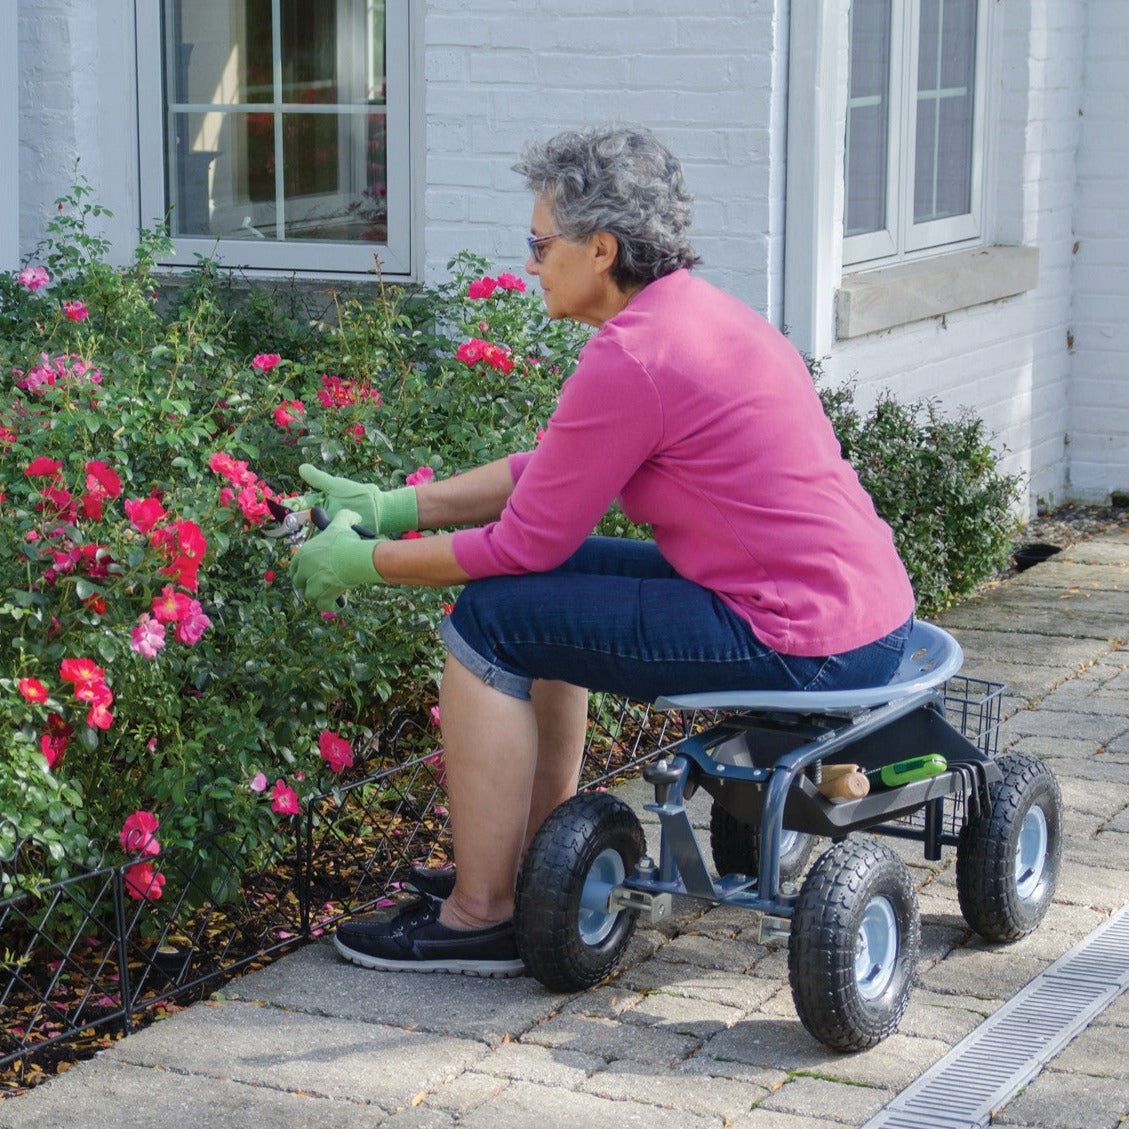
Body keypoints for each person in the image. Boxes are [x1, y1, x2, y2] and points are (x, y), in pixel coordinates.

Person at [291, 125, 916, 977]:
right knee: (543, 590)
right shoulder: (696, 314)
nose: (530, 263)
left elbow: (520, 541)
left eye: (539, 244)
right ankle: (527, 867)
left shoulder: (636, 354)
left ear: (601, 249)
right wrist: (393, 505)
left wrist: (363, 563)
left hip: (795, 637)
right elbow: (547, 474)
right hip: (855, 615)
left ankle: (481, 916)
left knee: (488, 621)